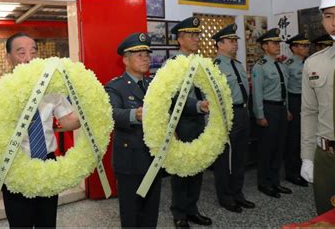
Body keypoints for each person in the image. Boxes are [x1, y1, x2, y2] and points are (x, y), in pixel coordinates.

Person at [1, 32, 81, 228]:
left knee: (47, 222)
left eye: (33, 52)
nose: (29, 58)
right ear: (8, 58)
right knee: (20, 223)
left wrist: (90, 112)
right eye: (21, 53)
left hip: (47, 163)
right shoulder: (0, 91)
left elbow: (69, 122)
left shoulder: (51, 88)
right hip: (15, 166)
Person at [105, 32, 161, 228]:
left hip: (153, 157)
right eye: (139, 54)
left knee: (151, 211)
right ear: (125, 60)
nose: (145, 58)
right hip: (129, 159)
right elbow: (111, 113)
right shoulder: (115, 86)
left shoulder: (153, 84)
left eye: (147, 54)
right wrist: (134, 115)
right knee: (131, 213)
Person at [169, 17, 212, 228]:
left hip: (199, 123)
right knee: (181, 170)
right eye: (192, 35)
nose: (196, 39)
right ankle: (179, 213)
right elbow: (175, 98)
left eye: (197, 35)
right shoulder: (173, 65)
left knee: (197, 167)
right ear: (180, 39)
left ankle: (192, 209)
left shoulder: (198, 62)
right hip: (182, 124)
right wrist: (198, 106)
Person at [300, 0, 335, 215]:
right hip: (326, 157)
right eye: (328, 16)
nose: (334, 23)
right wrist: (307, 157)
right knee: (325, 216)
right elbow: (309, 112)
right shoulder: (314, 63)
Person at [212, 24, 255, 213]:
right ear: (220, 44)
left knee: (240, 157)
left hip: (243, 112)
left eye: (236, 41)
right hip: (226, 114)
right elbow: (212, 96)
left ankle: (238, 193)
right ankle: (226, 196)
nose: (235, 44)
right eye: (230, 41)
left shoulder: (238, 65)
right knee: (225, 160)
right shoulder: (215, 66)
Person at [252, 28, 293, 199]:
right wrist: (260, 115)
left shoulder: (281, 64)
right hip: (268, 109)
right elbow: (257, 93)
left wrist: (288, 109)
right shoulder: (259, 67)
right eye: (274, 43)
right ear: (264, 46)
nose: (277, 46)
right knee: (266, 148)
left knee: (279, 147)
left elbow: (285, 90)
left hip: (281, 109)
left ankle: (275, 181)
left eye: (278, 43)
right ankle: (264, 183)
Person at [283, 33, 310, 187]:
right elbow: (284, 90)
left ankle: (304, 169)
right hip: (294, 101)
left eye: (307, 45)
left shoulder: (309, 63)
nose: (306, 48)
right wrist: (287, 108)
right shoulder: (289, 65)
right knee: (294, 138)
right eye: (303, 45)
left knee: (305, 137)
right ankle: (292, 172)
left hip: (307, 102)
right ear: (293, 48)